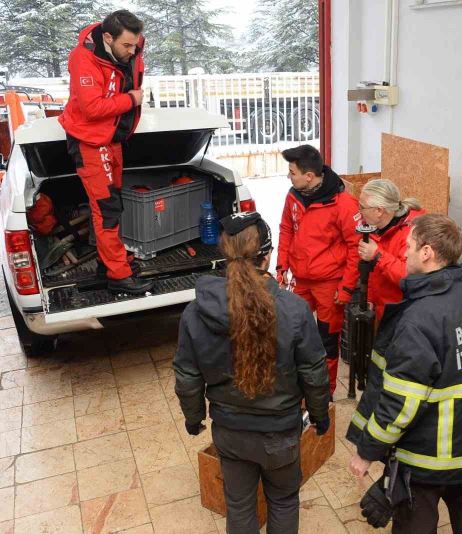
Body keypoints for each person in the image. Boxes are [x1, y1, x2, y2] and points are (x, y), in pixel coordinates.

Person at [346, 214, 462, 534]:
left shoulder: (419, 319)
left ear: (427, 252)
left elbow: (400, 404)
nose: (403, 253)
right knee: (461, 499)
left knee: (416, 517)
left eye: (409, 246)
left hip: (429, 452)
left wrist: (367, 452)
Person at [174, 212, 331, 534]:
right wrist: (319, 416)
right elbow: (314, 372)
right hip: (281, 434)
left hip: (231, 433)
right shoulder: (294, 310)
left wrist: (194, 419)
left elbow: (187, 377)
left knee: (240, 506)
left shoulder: (195, 312)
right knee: (284, 501)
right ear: (268, 254)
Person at [58, 9, 151, 295]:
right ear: (108, 37)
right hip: (90, 143)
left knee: (112, 205)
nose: (131, 50)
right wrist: (131, 99)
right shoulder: (83, 58)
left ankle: (110, 262)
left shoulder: (129, 47)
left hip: (112, 140)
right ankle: (118, 276)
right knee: (107, 210)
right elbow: (92, 108)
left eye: (134, 45)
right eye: (126, 45)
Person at [277, 144, 360, 395]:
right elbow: (286, 229)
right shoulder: (294, 195)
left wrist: (346, 288)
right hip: (299, 282)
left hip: (329, 286)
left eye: (292, 172)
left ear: (309, 176)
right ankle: (294, 390)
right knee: (289, 334)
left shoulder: (344, 204)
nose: (289, 177)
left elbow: (356, 248)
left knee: (326, 342)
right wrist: (281, 267)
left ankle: (325, 394)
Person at [356, 179, 425, 322]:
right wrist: (369, 299)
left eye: (362, 207)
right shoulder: (377, 226)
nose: (359, 212)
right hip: (382, 307)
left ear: (379, 211)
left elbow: (409, 276)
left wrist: (377, 255)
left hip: (402, 313)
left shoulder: (413, 233)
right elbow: (373, 271)